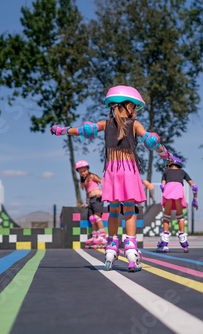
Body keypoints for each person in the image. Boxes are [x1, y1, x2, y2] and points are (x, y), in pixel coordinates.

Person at [51, 85, 174, 272]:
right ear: (128, 106)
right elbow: (152, 142)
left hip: (111, 171)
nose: (135, 111)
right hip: (129, 170)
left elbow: (81, 131)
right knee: (130, 210)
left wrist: (61, 130)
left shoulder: (105, 124)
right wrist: (167, 156)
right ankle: (131, 252)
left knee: (114, 210)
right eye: (135, 107)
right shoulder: (136, 125)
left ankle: (110, 249)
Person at [157, 157, 198, 253]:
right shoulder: (182, 172)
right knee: (180, 215)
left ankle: (164, 242)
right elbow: (194, 186)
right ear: (179, 166)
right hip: (179, 190)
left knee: (166, 216)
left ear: (169, 164)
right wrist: (195, 198)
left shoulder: (166, 172)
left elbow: (162, 185)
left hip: (168, 190)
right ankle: (183, 241)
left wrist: (166, 192)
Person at [75, 160, 107, 249]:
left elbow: (102, 181)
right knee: (92, 218)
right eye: (81, 172)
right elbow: (87, 193)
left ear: (88, 169)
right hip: (91, 200)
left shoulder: (92, 176)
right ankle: (95, 235)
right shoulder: (85, 181)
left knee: (97, 217)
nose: (83, 173)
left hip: (97, 198)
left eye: (84, 171)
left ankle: (102, 236)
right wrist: (87, 203)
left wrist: (102, 192)